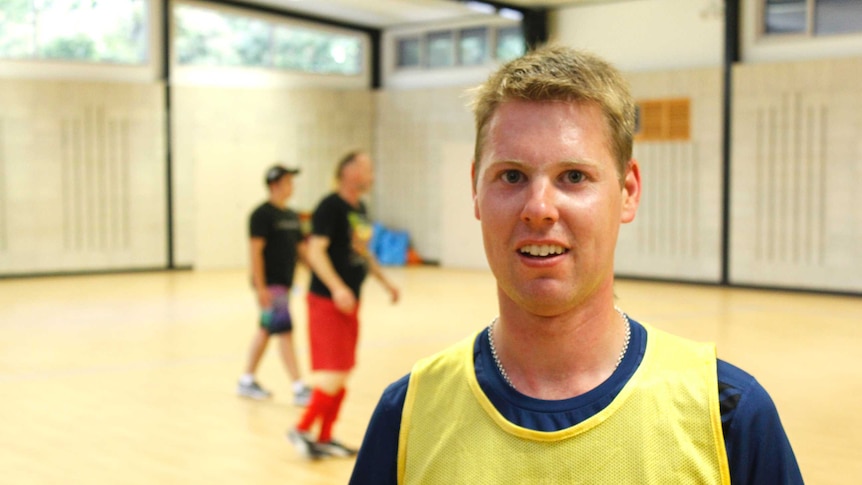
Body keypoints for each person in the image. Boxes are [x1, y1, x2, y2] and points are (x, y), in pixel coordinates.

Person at [349, 45, 804, 484]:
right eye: (512, 176)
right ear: (475, 189)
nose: (539, 208)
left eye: (573, 177)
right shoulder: (407, 415)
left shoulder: (727, 416)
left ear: (628, 191)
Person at [288, 151, 400, 459]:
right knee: (333, 371)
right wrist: (337, 287)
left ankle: (324, 437)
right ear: (349, 171)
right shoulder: (329, 206)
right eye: (367, 168)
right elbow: (315, 252)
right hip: (327, 301)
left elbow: (361, 251)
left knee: (345, 369)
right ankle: (302, 429)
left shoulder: (359, 208)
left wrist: (385, 282)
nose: (372, 174)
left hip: (351, 302)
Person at [237, 164, 311, 407]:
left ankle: (246, 379)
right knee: (285, 331)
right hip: (271, 285)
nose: (293, 186)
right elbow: (255, 252)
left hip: (286, 284)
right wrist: (260, 287)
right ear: (274, 185)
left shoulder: (291, 216)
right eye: (288, 181)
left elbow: (302, 252)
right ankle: (299, 387)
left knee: (267, 329)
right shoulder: (261, 215)